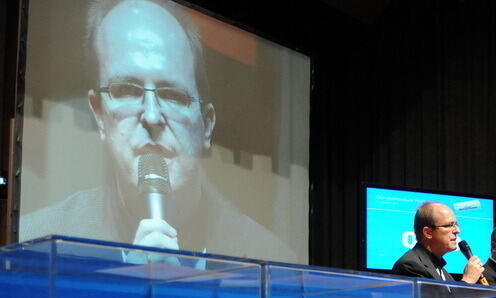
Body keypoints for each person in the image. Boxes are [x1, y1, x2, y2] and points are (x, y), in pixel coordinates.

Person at [19, 0, 295, 263]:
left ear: (207, 124)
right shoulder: (37, 245)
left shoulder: (270, 257)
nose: (151, 116)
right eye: (126, 90)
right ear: (99, 114)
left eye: (173, 95)